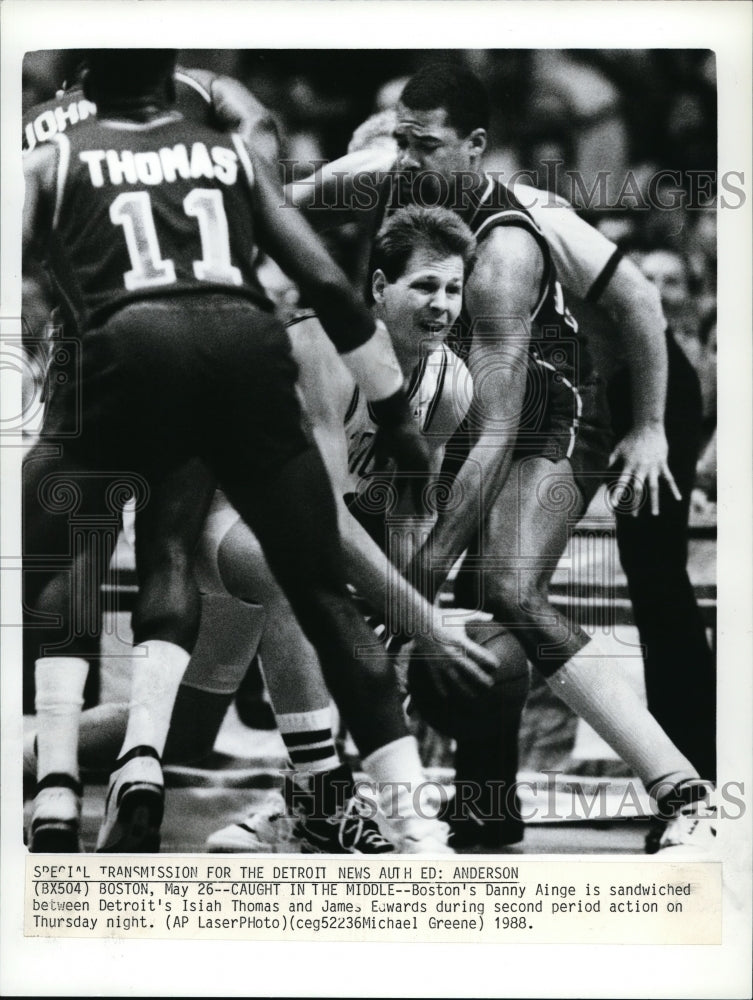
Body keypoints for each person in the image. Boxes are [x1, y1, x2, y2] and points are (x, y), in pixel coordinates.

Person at [288, 64, 716, 854]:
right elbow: (261, 209)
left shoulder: (507, 251)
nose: (408, 160)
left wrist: (417, 587)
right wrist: (322, 179)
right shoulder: (399, 178)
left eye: (425, 146)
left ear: (473, 148)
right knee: (385, 585)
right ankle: (422, 802)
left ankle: (686, 791)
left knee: (505, 589)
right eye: (401, 144)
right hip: (447, 407)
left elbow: (500, 426)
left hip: (548, 414)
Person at [22, 49, 440, 854]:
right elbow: (284, 203)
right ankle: (152, 761)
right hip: (221, 337)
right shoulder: (212, 111)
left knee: (68, 567)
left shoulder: (45, 136)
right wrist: (394, 413)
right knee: (205, 559)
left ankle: (54, 784)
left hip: (98, 342)